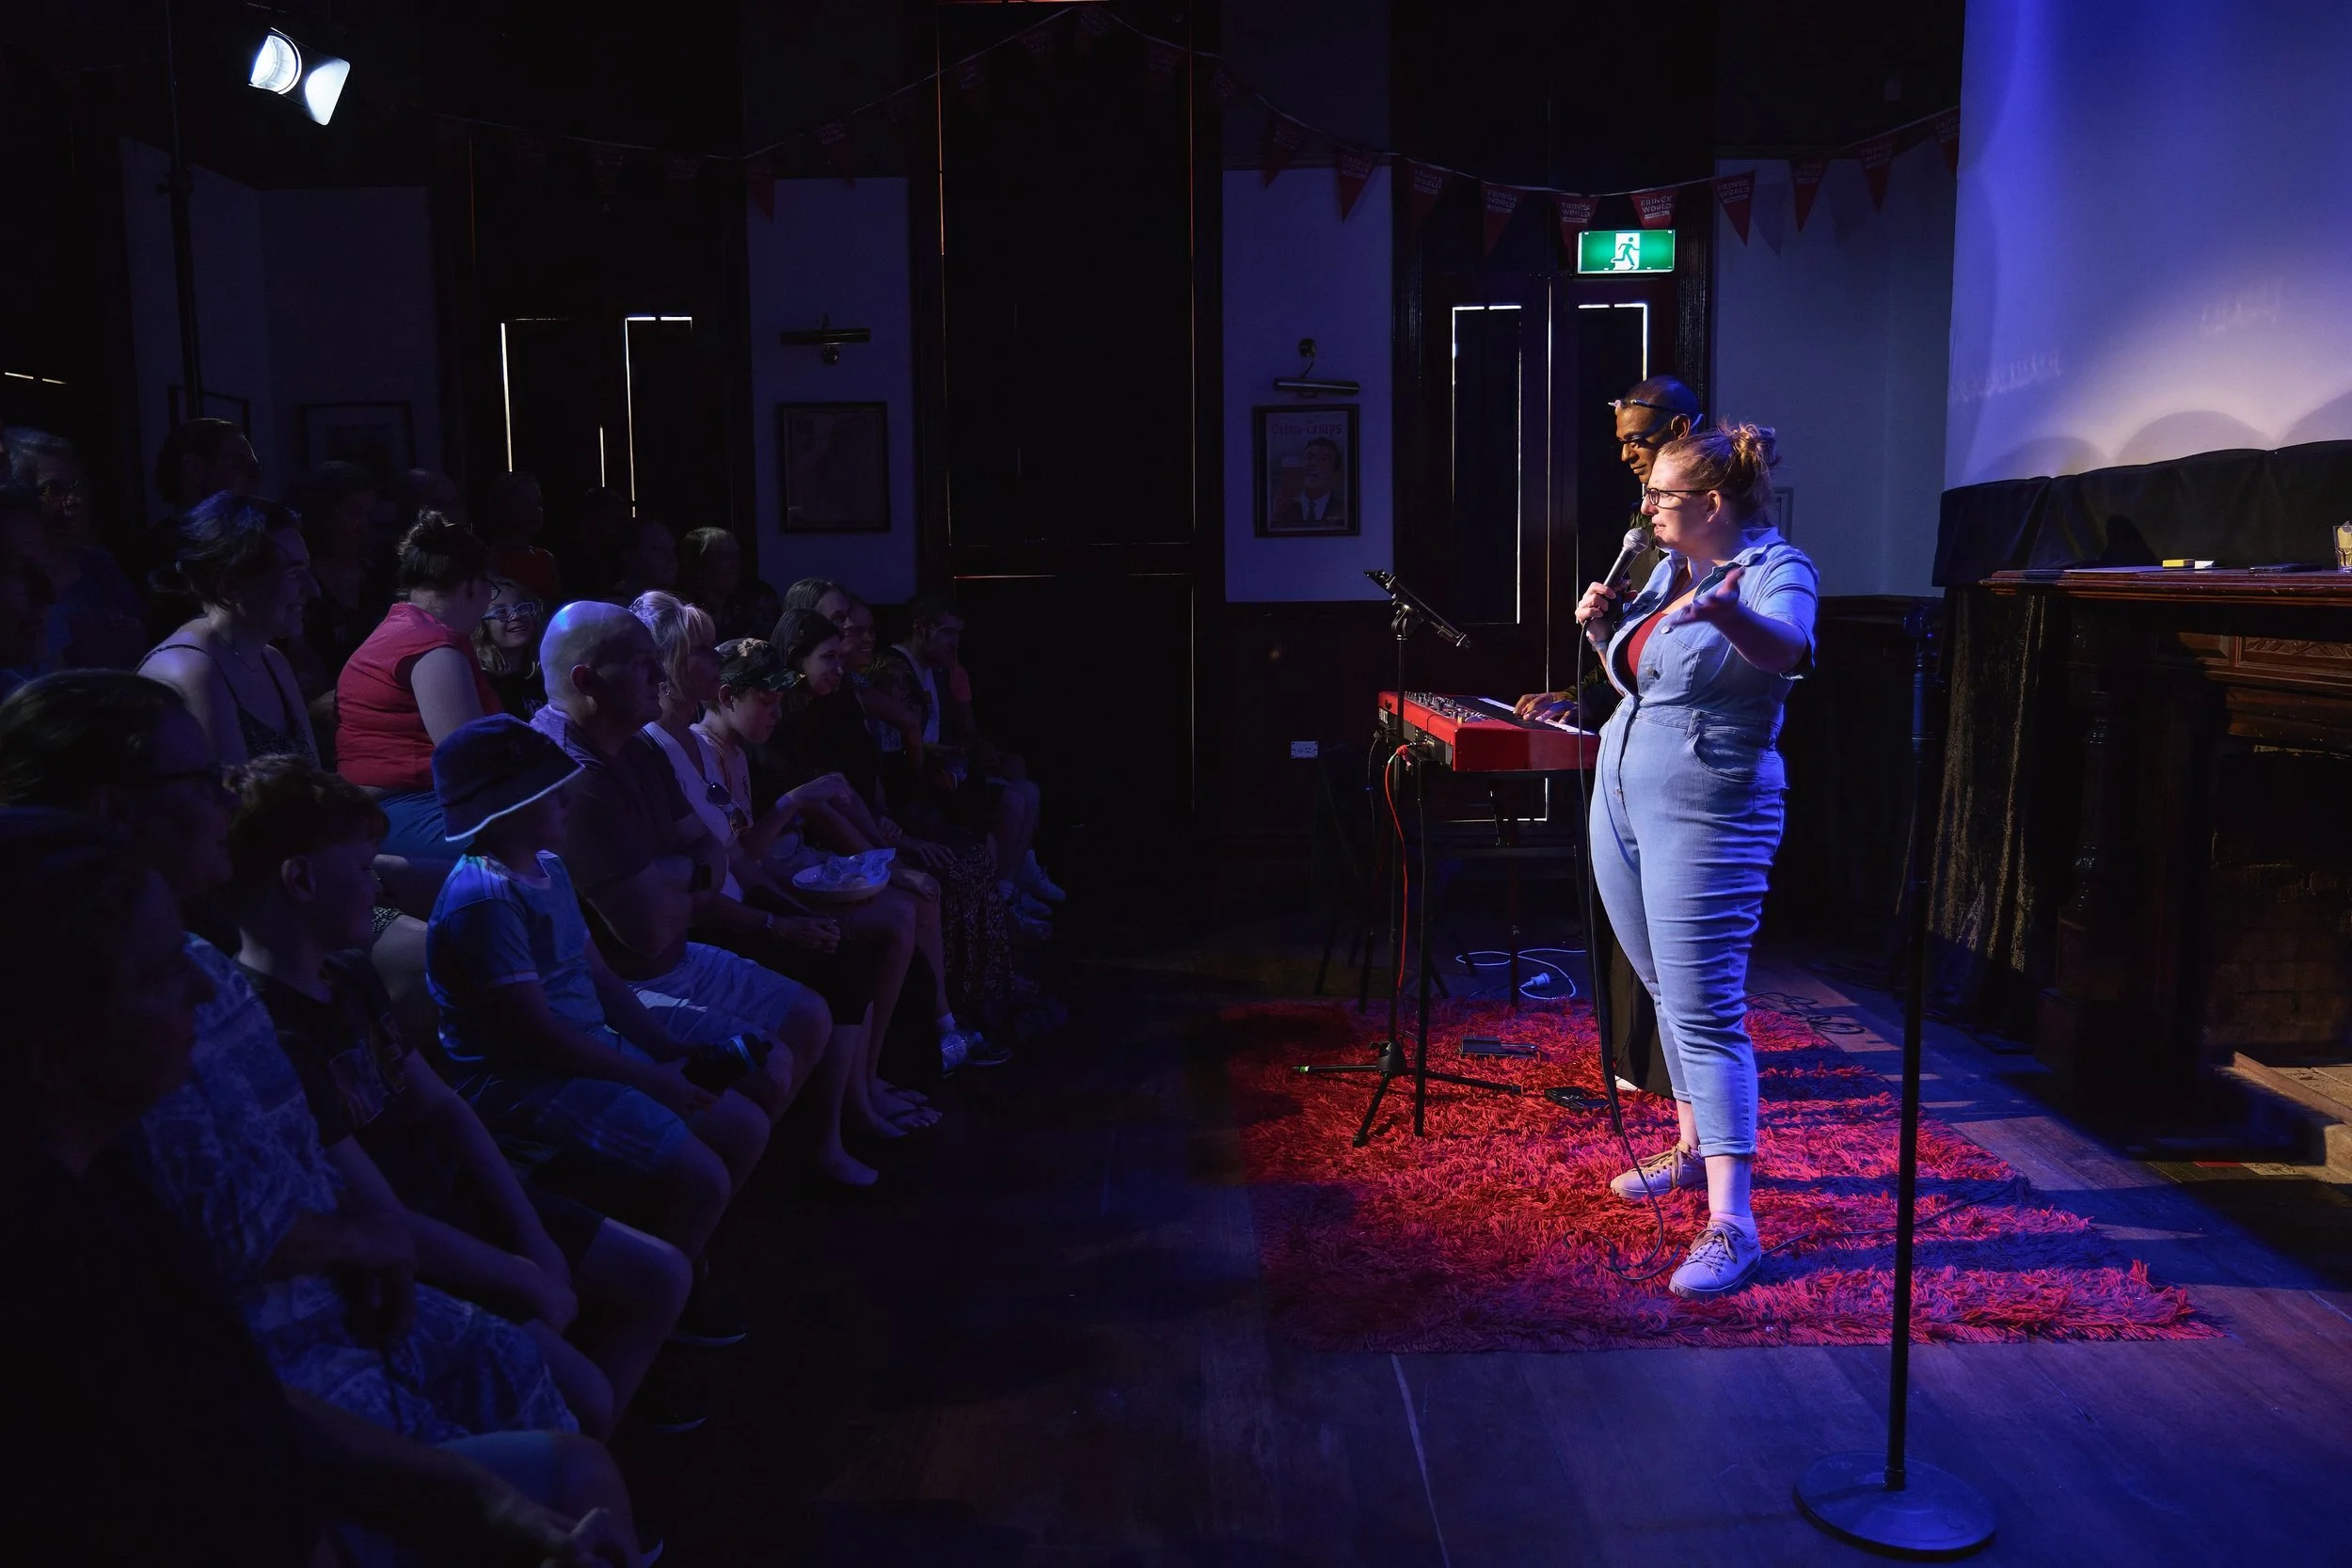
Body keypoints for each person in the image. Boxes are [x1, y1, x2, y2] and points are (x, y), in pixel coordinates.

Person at [1, 808, 641, 1568]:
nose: (204, 996)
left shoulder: (106, 1192)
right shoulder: (50, 1283)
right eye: (161, 970)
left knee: (576, 1466)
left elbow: (239, 1397)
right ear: (55, 1049)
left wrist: (487, 1500)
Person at [0, 672, 577, 1441]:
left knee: (533, 1385)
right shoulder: (104, 1014)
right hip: (274, 1350)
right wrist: (373, 1244)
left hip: (356, 1282)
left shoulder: (207, 973)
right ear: (113, 811)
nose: (225, 799)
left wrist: (382, 1249)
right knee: (559, 1455)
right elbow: (217, 1236)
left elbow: (315, 1159)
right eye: (200, 780)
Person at [228, 756, 694, 1437]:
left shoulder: (350, 975)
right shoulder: (273, 1031)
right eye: (362, 870)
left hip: (456, 1200)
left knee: (663, 1276)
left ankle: (597, 1441)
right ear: (299, 879)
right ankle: (579, 1469)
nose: (377, 883)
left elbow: (445, 1108)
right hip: (410, 1248)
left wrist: (533, 1239)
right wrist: (518, 1272)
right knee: (585, 1394)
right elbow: (374, 1208)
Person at [424, 715, 768, 1329]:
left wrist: (665, 1050)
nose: (566, 796)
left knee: (740, 1124)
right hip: (526, 1082)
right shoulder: (485, 899)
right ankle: (659, 1311)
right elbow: (536, 1036)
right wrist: (653, 1080)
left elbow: (601, 980)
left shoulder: (549, 868)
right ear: (503, 808)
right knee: (704, 1175)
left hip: (583, 1052)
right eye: (547, 789)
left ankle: (681, 1268)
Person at [1578, 422, 1818, 1300]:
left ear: (1712, 505)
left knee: (1706, 1006)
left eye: (1662, 498)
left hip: (1708, 806)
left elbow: (1788, 650)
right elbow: (1651, 680)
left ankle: (1733, 1222)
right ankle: (1689, 1147)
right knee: (1663, 987)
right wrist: (1609, 630)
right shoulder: (1664, 572)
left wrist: (1730, 613)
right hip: (1622, 791)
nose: (1645, 507)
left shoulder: (1773, 571)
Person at [530, 601, 875, 1185]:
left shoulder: (634, 748)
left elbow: (714, 853)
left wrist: (674, 873)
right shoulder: (576, 776)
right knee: (773, 1063)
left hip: (678, 946)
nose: (660, 678)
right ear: (586, 681)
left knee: (812, 1015)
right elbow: (650, 928)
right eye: (643, 666)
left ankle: (788, 1162)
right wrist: (689, 876)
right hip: (632, 979)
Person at [704, 634, 977, 1097]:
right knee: (892, 921)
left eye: (780, 700)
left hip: (765, 883)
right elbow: (741, 857)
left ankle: (883, 1072)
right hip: (741, 903)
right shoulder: (706, 750)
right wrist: (792, 806)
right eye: (767, 700)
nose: (776, 711)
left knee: (907, 907)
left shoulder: (736, 747)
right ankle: (866, 1088)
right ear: (726, 696)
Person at [768, 607, 1018, 1058]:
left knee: (965, 860)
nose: (840, 665)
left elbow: (847, 791)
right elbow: (820, 810)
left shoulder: (834, 702)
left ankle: (962, 1010)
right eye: (830, 657)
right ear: (796, 661)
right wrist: (891, 861)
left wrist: (889, 848)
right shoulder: (781, 722)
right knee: (921, 892)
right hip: (797, 853)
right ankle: (933, 1033)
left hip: (848, 832)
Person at [337, 514, 501, 857]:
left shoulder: (408, 628)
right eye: (491, 589)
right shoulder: (431, 647)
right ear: (472, 585)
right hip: (400, 810)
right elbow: (469, 760)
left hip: (403, 803)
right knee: (531, 847)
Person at [140, 493, 321, 767]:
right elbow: (229, 805)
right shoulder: (191, 672)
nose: (314, 589)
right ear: (228, 583)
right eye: (293, 572)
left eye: (306, 569)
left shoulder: (273, 662)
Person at [4, 427, 149, 671]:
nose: (74, 500)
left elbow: (142, 633)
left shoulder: (98, 563)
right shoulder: (14, 579)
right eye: (51, 490)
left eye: (76, 485)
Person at [284, 460, 387, 697]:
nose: (364, 527)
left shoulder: (379, 576)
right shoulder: (294, 585)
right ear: (319, 516)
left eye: (368, 514)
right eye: (353, 514)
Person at [479, 470, 563, 608]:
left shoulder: (546, 558)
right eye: (524, 503)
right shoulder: (489, 560)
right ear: (503, 508)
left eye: (538, 503)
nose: (534, 510)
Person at [477, 573, 549, 720]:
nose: (516, 616)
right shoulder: (483, 684)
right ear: (482, 625)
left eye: (522, 608)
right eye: (501, 612)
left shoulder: (548, 673)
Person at [676, 526, 745, 627]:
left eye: (736, 556)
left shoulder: (742, 617)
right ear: (700, 564)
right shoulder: (681, 618)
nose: (735, 565)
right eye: (725, 556)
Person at [1274, 436, 1345, 528]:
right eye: (1309, 457)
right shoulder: (1284, 507)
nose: (1313, 463)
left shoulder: (1343, 509)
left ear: (1336, 474)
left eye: (1323, 459)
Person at [607, 515, 679, 603]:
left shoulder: (679, 611)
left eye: (673, 550)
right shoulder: (611, 611)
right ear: (630, 556)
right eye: (660, 549)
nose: (672, 560)